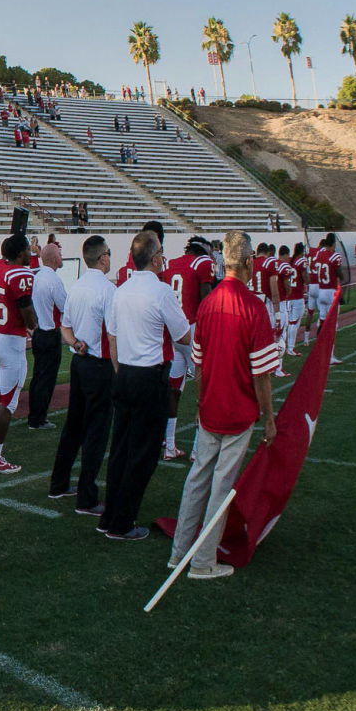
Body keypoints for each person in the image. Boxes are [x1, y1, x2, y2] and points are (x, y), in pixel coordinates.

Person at [170, 230, 281, 580]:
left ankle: (180, 552)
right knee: (221, 485)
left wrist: (203, 400)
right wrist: (269, 417)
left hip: (210, 407)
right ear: (248, 262)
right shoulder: (252, 307)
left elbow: (199, 364)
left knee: (197, 478)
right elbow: (262, 375)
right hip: (238, 411)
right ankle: (202, 561)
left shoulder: (208, 303)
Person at [100, 230, 192, 541]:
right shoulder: (161, 291)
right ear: (154, 259)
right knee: (143, 453)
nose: (164, 258)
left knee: (121, 449)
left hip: (125, 373)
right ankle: (122, 522)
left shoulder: (121, 290)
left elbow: (112, 336)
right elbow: (183, 335)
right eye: (161, 253)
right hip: (149, 377)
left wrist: (119, 369)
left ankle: (110, 515)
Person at [49, 236, 116, 514]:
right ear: (102, 258)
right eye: (109, 254)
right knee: (96, 433)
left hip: (79, 363)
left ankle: (59, 484)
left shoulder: (75, 287)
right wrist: (119, 371)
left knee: (73, 426)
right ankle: (87, 498)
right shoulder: (108, 290)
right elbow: (112, 336)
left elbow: (65, 328)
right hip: (99, 366)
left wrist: (76, 344)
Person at [0, 234, 37, 472]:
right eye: (27, 250)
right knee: (8, 404)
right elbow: (27, 313)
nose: (30, 254)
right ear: (21, 252)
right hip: (11, 342)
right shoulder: (21, 275)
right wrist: (34, 326)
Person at [163, 235, 221, 460]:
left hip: (173, 332)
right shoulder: (202, 263)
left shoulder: (170, 263)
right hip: (193, 330)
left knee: (174, 389)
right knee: (204, 388)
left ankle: (169, 446)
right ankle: (197, 449)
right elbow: (206, 301)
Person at [26, 239, 68, 430]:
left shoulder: (37, 276)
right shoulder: (53, 280)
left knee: (38, 376)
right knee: (46, 378)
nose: (61, 257)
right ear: (52, 258)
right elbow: (64, 307)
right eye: (59, 254)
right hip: (49, 332)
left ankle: (35, 415)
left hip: (38, 332)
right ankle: (38, 418)